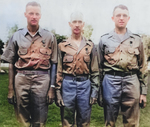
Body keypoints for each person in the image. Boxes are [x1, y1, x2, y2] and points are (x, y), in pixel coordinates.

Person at [1, 1, 57, 127]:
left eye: (37, 14)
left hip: (42, 79)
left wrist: (52, 88)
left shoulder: (49, 37)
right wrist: (10, 89)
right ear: (25, 14)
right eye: (31, 13)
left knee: (40, 119)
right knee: (22, 119)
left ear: (40, 15)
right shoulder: (17, 36)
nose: (34, 16)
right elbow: (11, 63)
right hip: (21, 79)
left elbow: (54, 63)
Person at [97, 4, 148, 127]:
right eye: (118, 15)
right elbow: (98, 68)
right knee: (110, 122)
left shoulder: (137, 40)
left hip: (131, 81)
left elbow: (143, 67)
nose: (121, 18)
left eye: (124, 15)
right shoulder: (104, 40)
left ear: (128, 18)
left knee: (132, 122)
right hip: (110, 82)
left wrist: (143, 92)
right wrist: (99, 91)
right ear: (112, 18)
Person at [55, 11, 99, 127]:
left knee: (84, 121)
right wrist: (58, 92)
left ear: (83, 24)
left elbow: (95, 71)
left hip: (85, 85)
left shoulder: (90, 46)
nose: (77, 24)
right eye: (74, 22)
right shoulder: (62, 45)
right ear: (70, 24)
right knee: (67, 121)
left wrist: (94, 91)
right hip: (67, 85)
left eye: (80, 22)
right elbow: (58, 70)